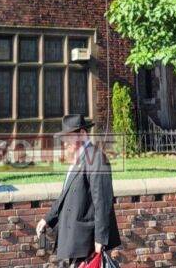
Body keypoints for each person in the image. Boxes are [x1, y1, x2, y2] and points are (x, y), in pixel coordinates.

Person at [36, 114, 121, 268]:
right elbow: (65, 195)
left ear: (82, 133)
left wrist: (100, 238)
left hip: (87, 242)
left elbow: (103, 202)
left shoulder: (97, 159)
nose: (64, 142)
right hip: (74, 239)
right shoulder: (78, 159)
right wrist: (47, 219)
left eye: (68, 137)